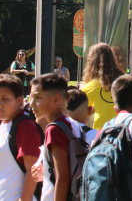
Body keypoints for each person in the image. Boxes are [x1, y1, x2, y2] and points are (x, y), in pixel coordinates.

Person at [0, 74, 42, 201]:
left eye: (5, 99)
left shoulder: (25, 126)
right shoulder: (3, 124)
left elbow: (33, 170)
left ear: (19, 100)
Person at [28, 73, 83, 201]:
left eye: (38, 97)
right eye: (31, 97)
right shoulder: (72, 124)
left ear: (57, 99)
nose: (32, 103)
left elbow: (62, 177)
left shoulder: (54, 129)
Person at [78, 43, 123, 129]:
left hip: (101, 134)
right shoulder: (123, 81)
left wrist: (80, 91)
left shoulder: (89, 87)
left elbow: (81, 113)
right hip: (124, 132)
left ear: (91, 62)